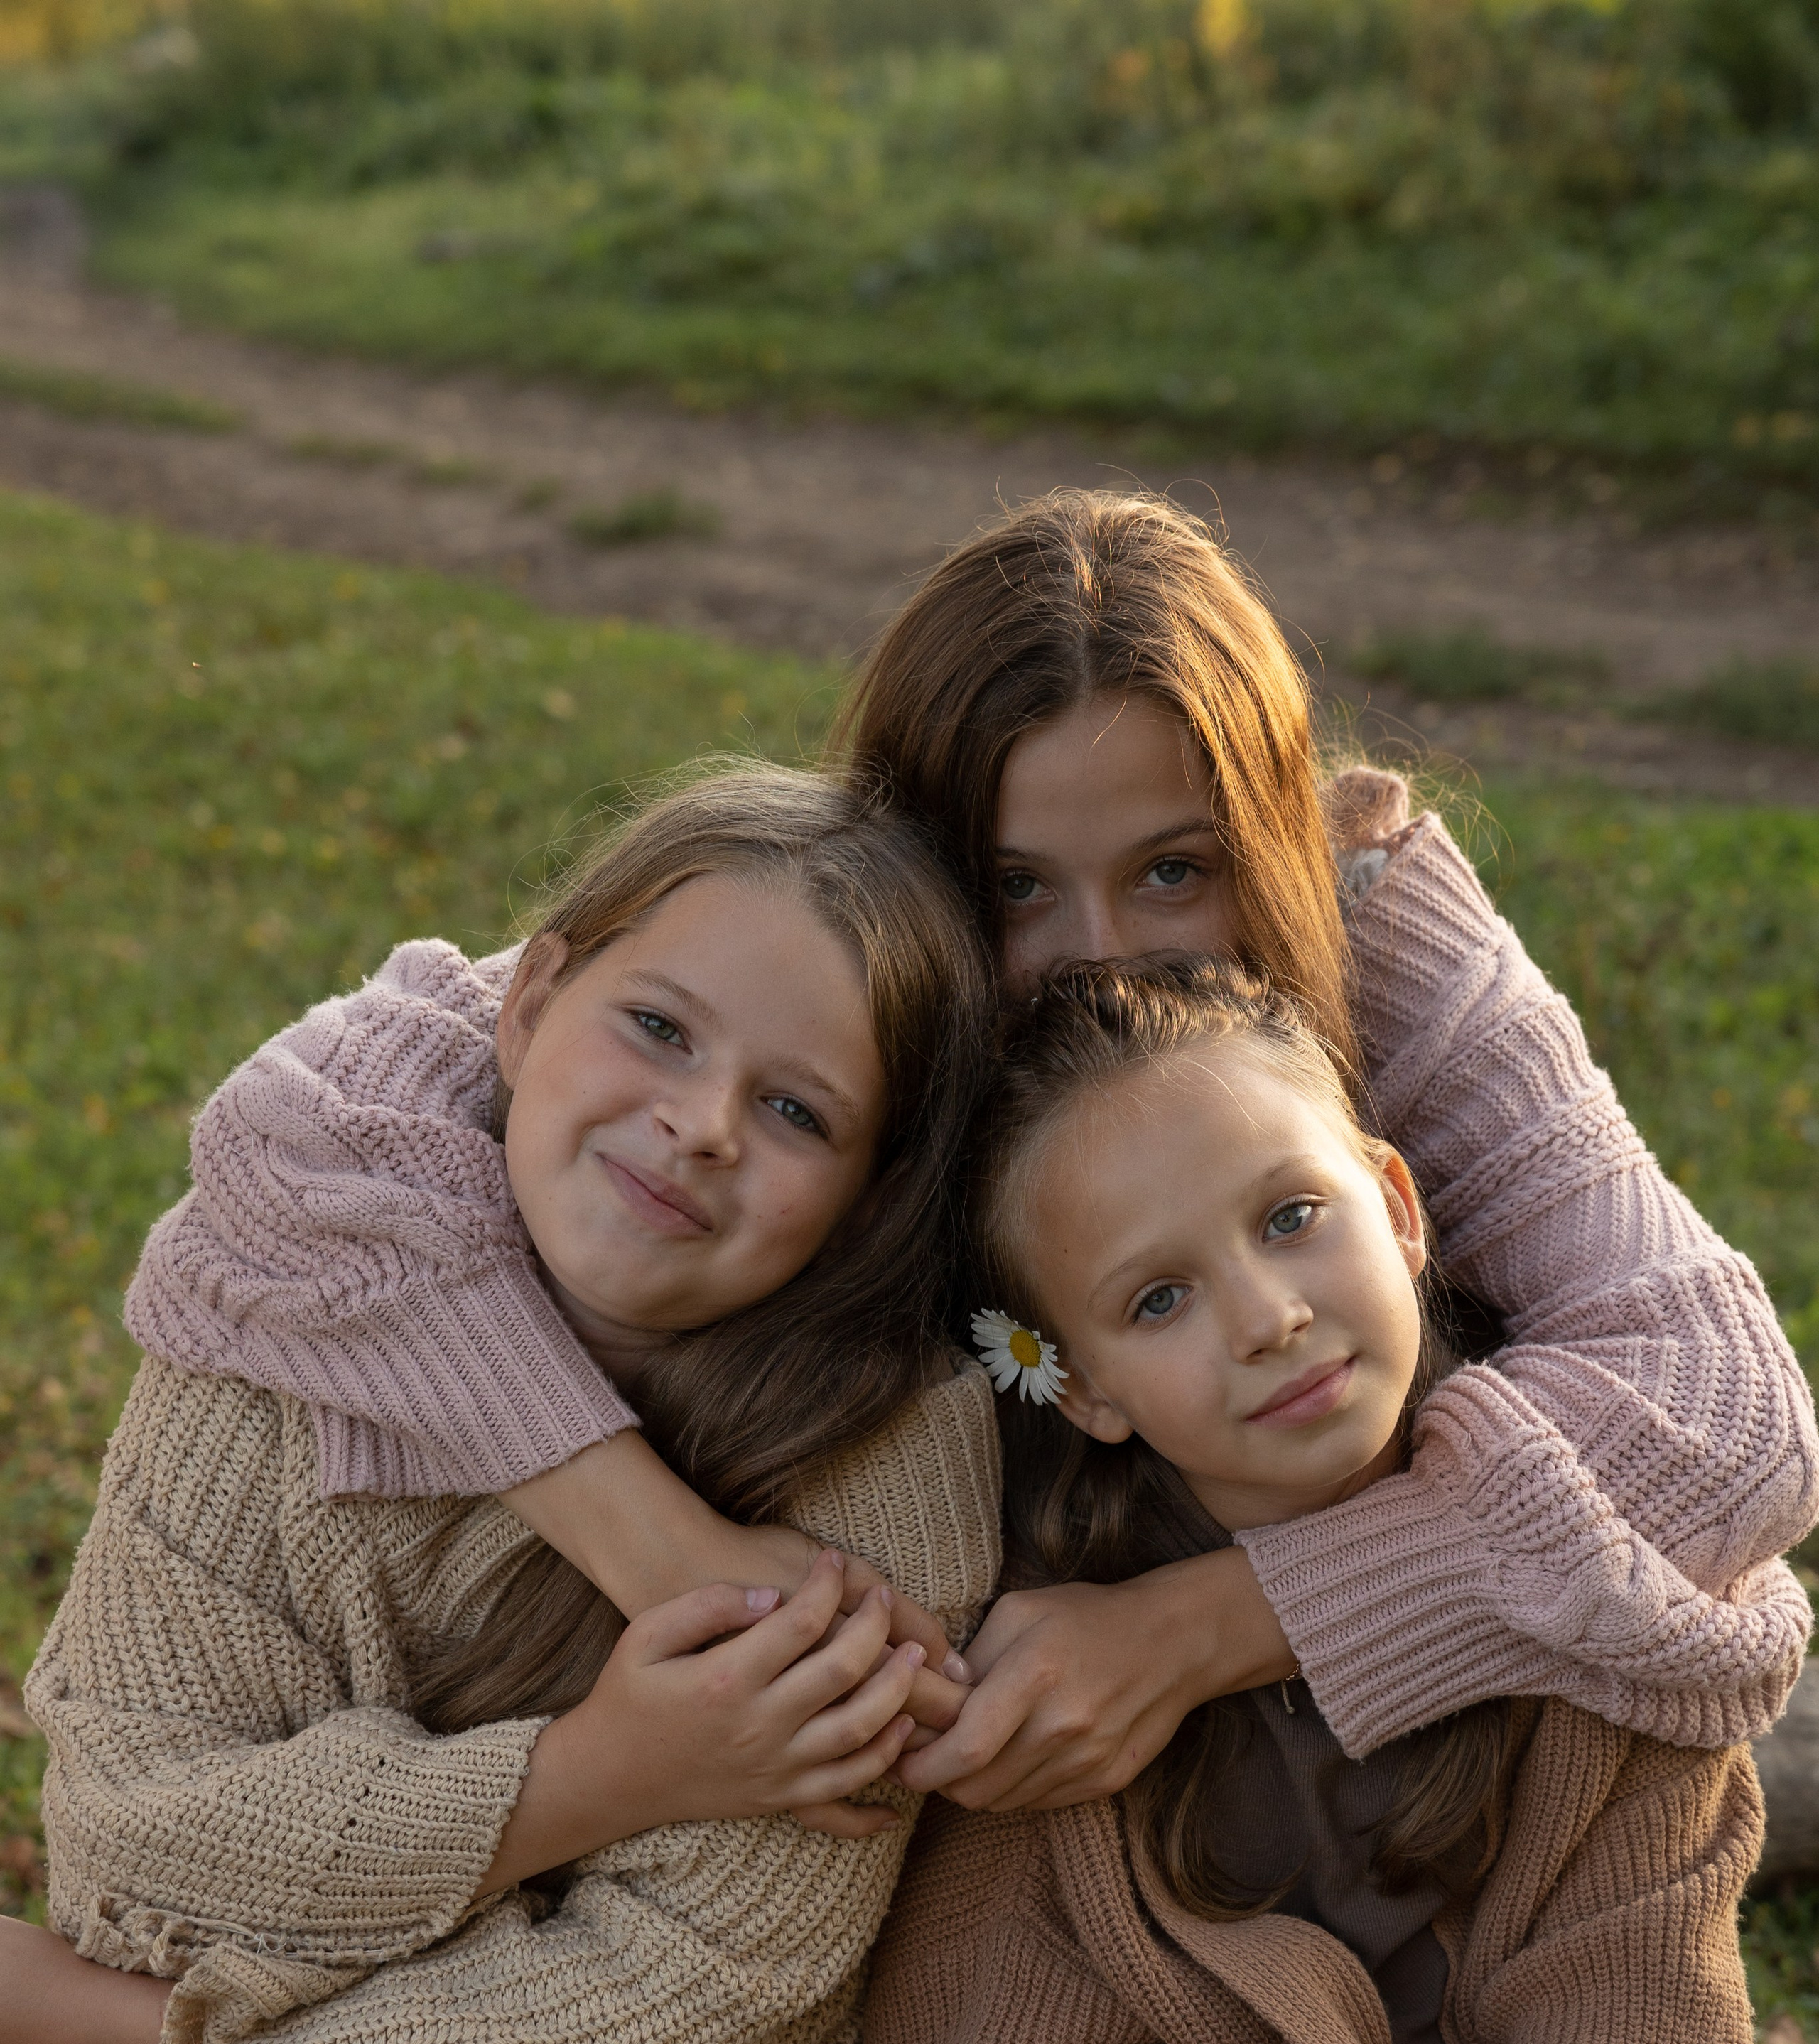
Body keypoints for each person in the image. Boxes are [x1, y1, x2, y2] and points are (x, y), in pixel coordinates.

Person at [123, 492, 1817, 1821]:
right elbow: (302, 1135)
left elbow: (1728, 1417)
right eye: (1015, 887)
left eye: (1175, 870)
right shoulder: (844, 970)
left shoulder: (1376, 926)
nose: (1100, 957)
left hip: (1419, 1686)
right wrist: (651, 1542)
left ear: (1270, 841)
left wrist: (1198, 1632)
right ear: (921, 856)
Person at [0, 767, 1003, 2044]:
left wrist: (158, 2028)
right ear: (528, 1004)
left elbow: (706, 2006)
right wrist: (589, 1781)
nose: (700, 1123)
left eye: (796, 1112)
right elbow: (131, 1834)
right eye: (658, 1027)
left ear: (872, 1191)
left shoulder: (889, 1460)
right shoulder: (282, 1319)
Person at [856, 953, 1761, 2044]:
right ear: (1081, 1386)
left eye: (1291, 1218)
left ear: (1397, 1206)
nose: (1267, 1316)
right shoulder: (1045, 1657)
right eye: (1158, 1297)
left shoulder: (1591, 1589)